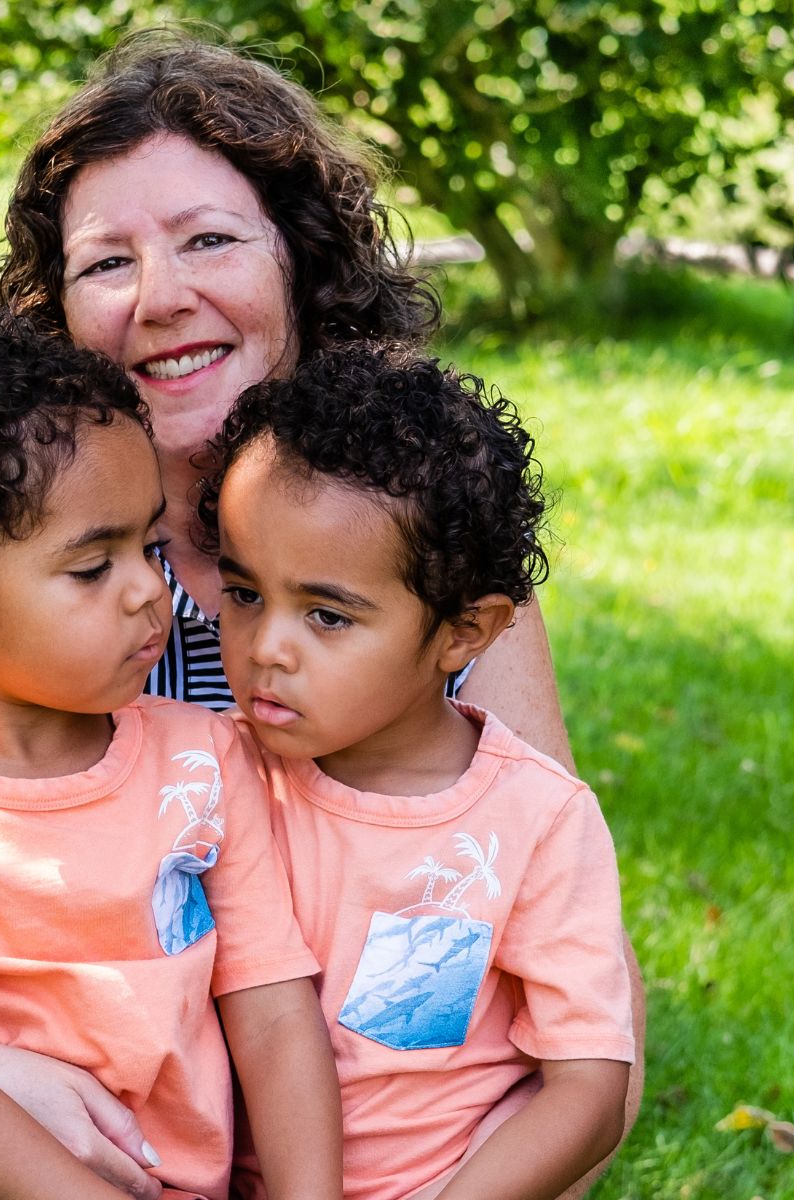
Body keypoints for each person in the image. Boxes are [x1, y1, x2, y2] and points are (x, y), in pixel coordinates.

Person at [0, 32, 644, 1198]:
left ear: (299, 268)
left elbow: (579, 1008)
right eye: (108, 263)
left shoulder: (420, 558)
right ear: (58, 309)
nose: (162, 297)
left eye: (209, 240)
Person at [0, 315, 340, 1200]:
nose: (148, 589)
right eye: (94, 568)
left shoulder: (204, 762)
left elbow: (277, 1016)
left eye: (150, 548)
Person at [206, 346, 632, 1200]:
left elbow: (587, 1091)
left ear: (464, 632)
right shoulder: (203, 774)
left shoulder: (533, 820)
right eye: (245, 594)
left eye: (327, 616)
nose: (267, 648)